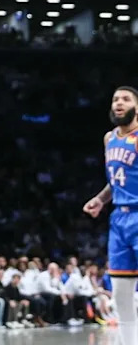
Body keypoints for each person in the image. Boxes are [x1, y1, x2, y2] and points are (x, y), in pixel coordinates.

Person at [84, 86, 138, 345]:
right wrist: (101, 199)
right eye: (115, 99)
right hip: (119, 219)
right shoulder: (109, 138)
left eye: (126, 99)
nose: (119, 103)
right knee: (121, 295)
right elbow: (115, 180)